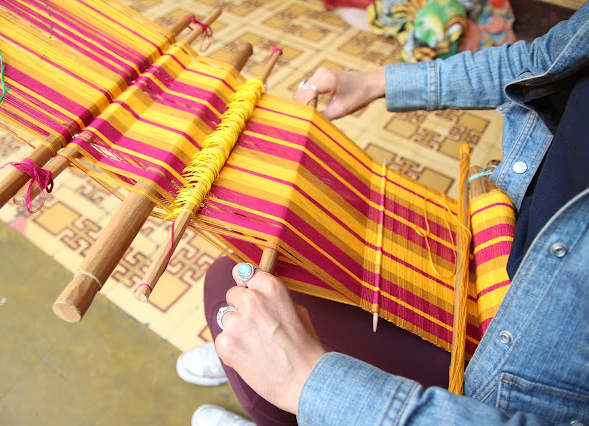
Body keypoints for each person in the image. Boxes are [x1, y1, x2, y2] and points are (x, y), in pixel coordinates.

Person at [177, 3, 589, 425]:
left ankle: (270, 402)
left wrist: (308, 383)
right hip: (506, 236)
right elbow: (540, 62)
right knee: (249, 272)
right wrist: (375, 81)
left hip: (510, 369)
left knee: (226, 287)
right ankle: (250, 355)